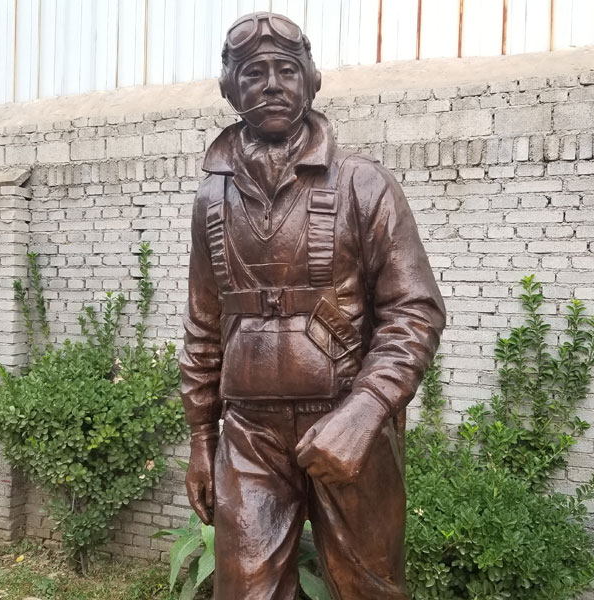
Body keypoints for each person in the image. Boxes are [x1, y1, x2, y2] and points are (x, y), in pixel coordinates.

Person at [179, 12, 446, 600]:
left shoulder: (363, 185)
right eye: (253, 73)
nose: (272, 84)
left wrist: (365, 411)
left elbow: (415, 313)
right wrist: (202, 440)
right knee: (244, 592)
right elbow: (203, 327)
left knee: (369, 589)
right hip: (249, 435)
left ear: (312, 80)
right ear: (229, 90)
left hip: (349, 423)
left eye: (286, 70)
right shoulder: (211, 199)